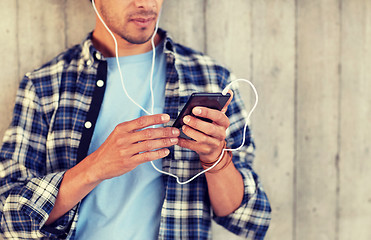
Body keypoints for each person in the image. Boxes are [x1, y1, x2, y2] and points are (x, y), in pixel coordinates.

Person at [0, 0, 271, 239]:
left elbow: (249, 219)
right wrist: (94, 168)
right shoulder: (45, 85)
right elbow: (9, 218)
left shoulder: (212, 77)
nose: (146, 3)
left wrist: (216, 160)